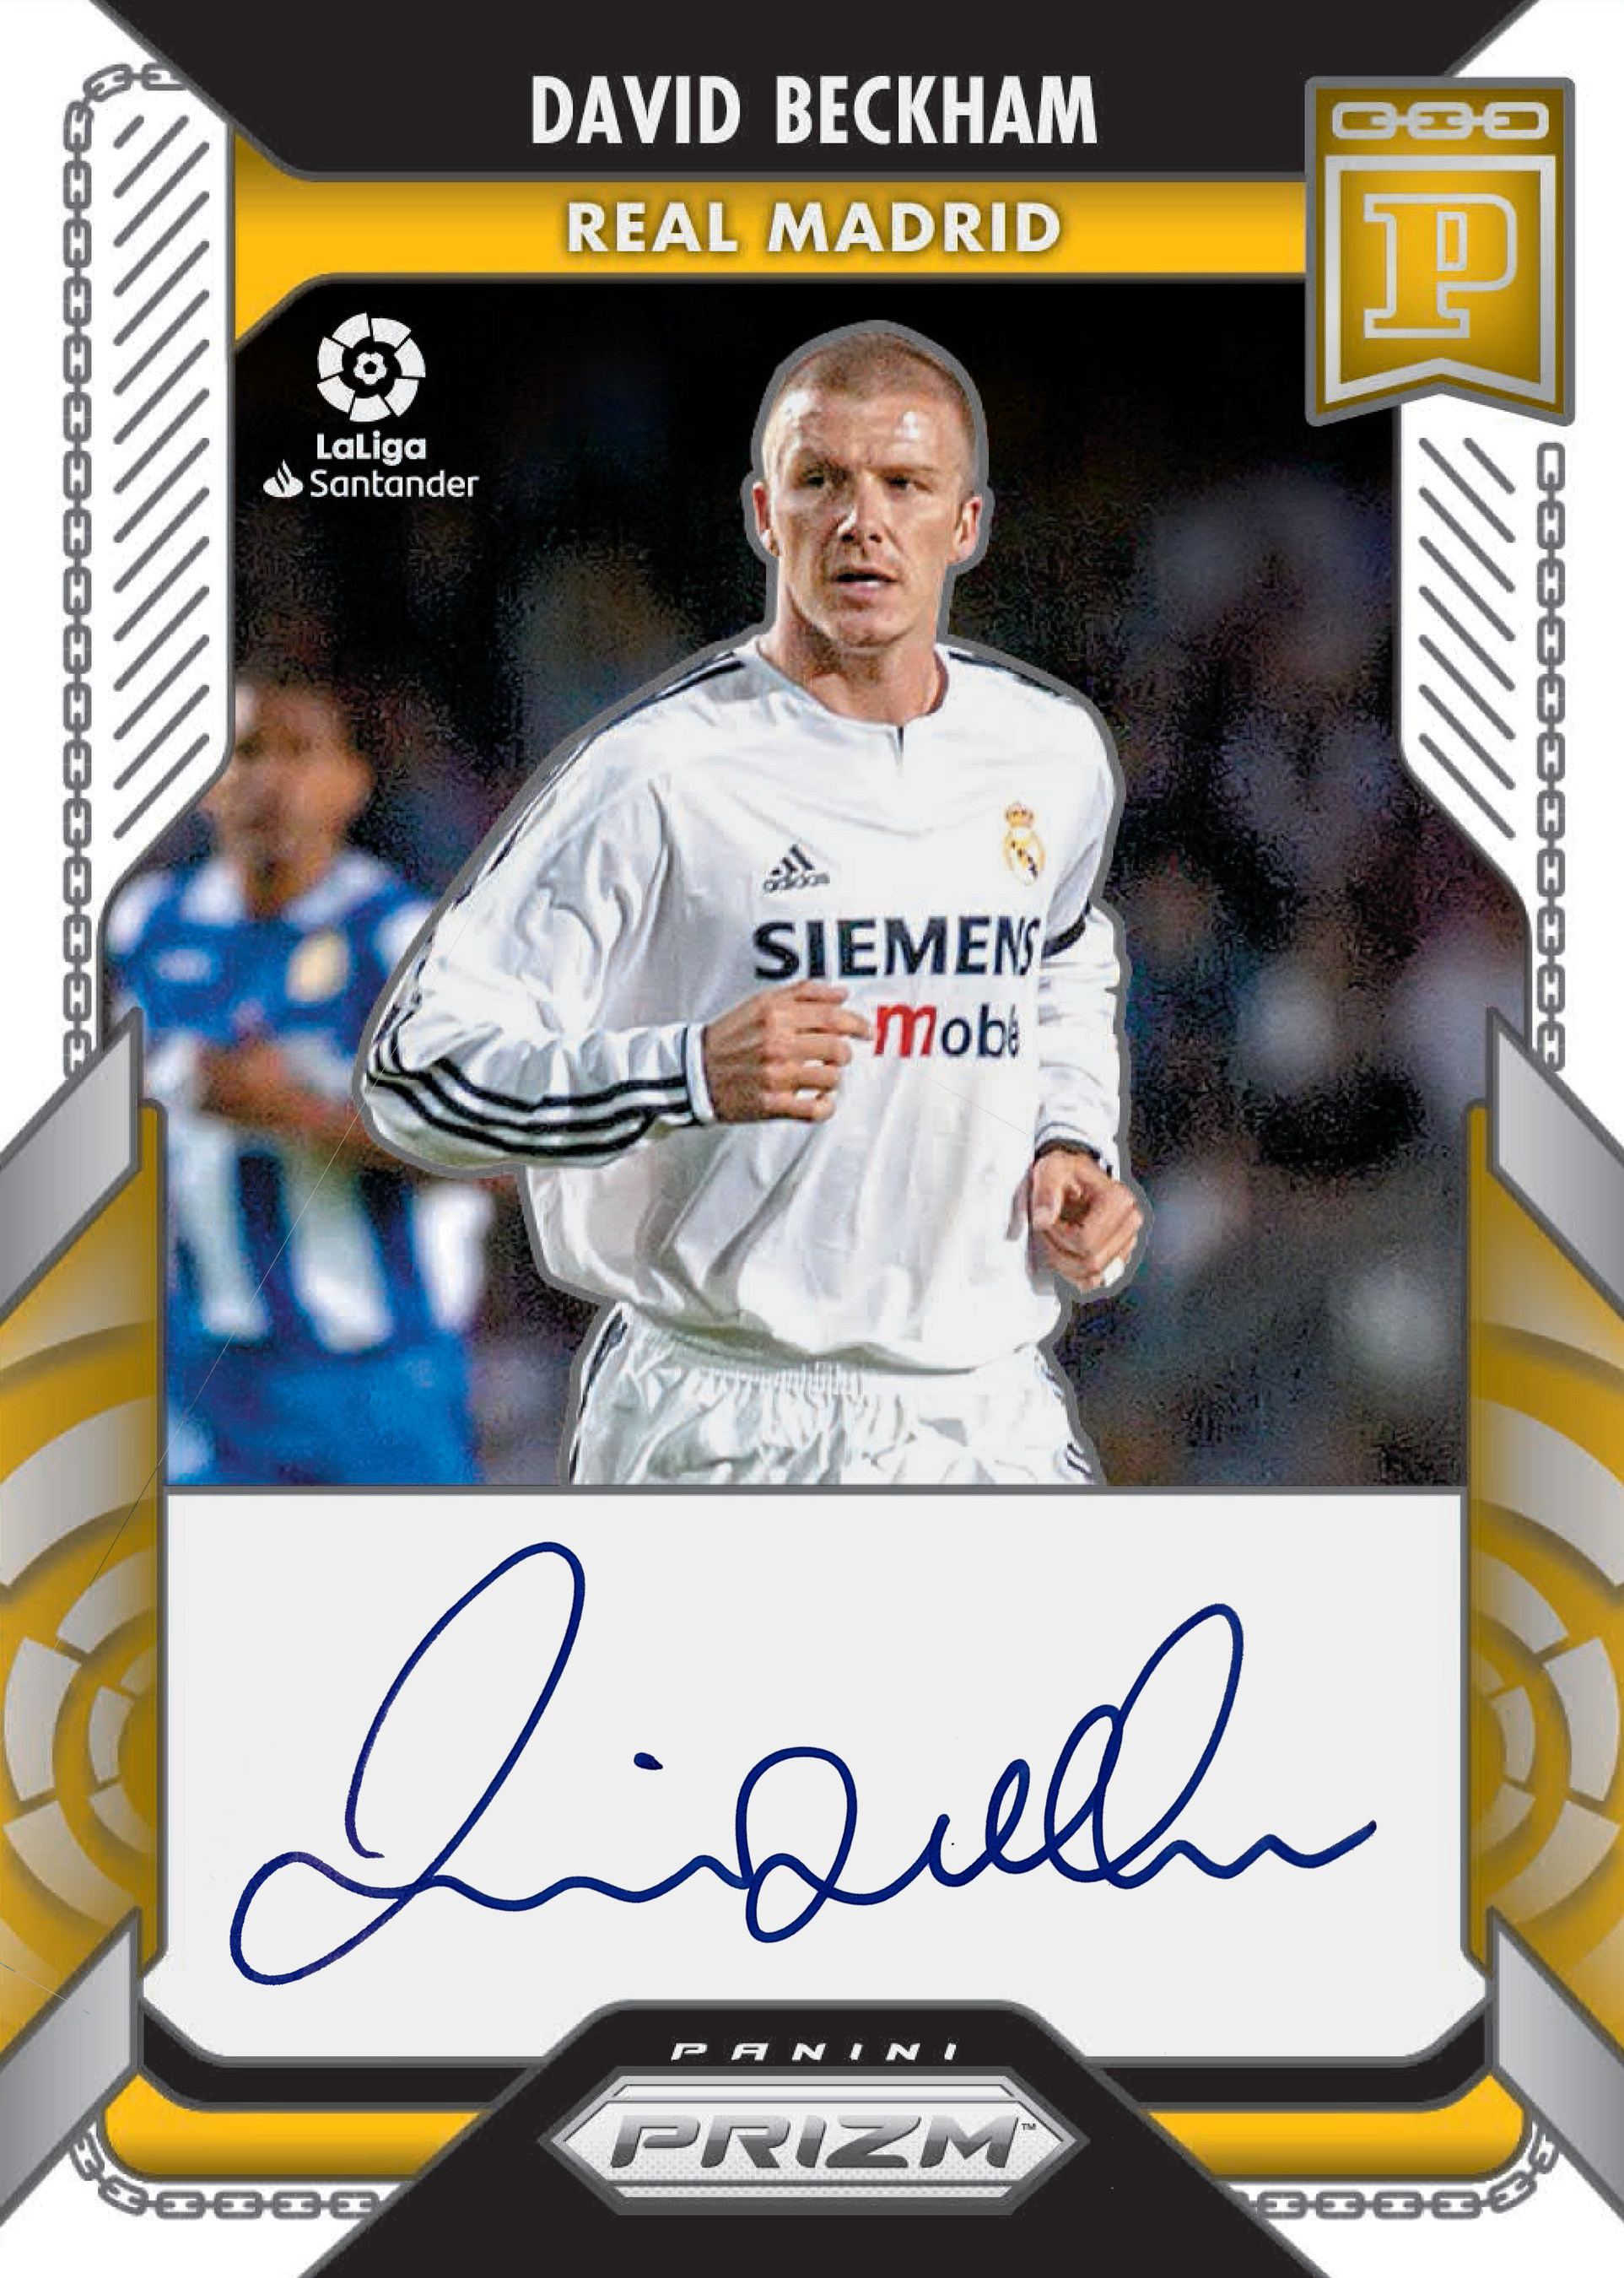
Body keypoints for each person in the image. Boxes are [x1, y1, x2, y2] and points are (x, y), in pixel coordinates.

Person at [360, 324, 1142, 1486]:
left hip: (985, 1415)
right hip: (724, 1417)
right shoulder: (656, 773)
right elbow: (417, 1075)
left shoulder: (1049, 750)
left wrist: (1066, 1136)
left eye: (905, 484)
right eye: (821, 481)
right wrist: (682, 1073)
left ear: (965, 524)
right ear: (767, 517)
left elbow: (1060, 958)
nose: (861, 520)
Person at [107, 666, 487, 1485]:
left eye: (300, 752)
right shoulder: (144, 927)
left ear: (351, 781)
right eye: (245, 751)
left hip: (381, 1379)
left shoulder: (406, 941)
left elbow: (502, 1158)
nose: (269, 780)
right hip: (205, 1378)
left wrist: (296, 1113)